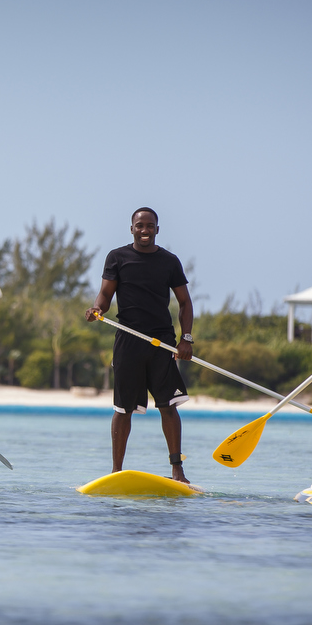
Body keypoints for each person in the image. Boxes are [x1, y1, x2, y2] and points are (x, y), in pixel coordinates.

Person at [84, 207, 194, 483]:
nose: (144, 230)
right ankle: (116, 471)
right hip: (128, 342)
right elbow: (105, 295)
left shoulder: (169, 262)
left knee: (168, 406)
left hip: (162, 343)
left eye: (150, 226)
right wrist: (97, 309)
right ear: (131, 228)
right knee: (123, 409)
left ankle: (177, 470)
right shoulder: (117, 258)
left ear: (158, 229)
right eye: (139, 225)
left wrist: (186, 339)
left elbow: (184, 303)